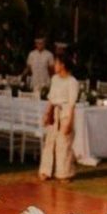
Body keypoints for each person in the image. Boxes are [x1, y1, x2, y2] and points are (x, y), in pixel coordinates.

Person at [39, 53, 79, 182]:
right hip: (54, 111)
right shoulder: (55, 79)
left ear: (62, 65)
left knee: (64, 143)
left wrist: (69, 122)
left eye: (56, 63)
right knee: (49, 142)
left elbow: (72, 104)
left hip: (65, 112)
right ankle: (46, 170)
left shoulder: (72, 82)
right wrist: (47, 114)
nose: (54, 66)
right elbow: (51, 99)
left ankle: (64, 173)